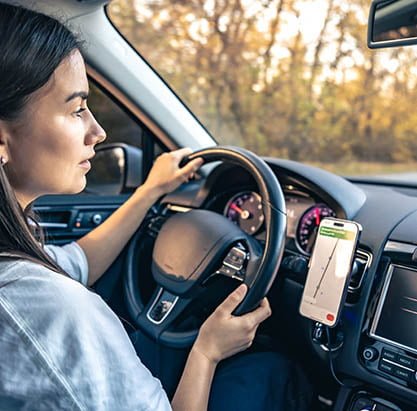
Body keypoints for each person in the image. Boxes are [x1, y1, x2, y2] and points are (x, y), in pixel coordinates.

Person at [0, 3, 312, 410]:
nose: (98, 130)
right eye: (77, 109)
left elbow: (73, 262)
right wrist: (207, 351)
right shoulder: (52, 310)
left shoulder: (22, 273)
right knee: (273, 371)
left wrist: (149, 192)